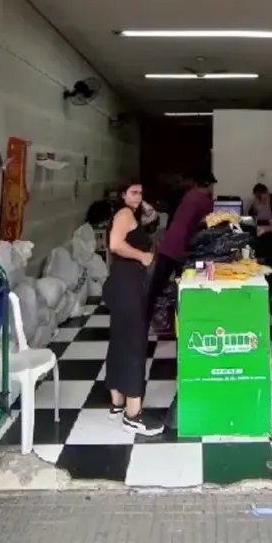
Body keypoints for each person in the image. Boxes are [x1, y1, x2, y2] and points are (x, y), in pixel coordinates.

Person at [103, 180, 164, 437]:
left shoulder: (130, 213)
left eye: (141, 192)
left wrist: (139, 202)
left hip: (123, 285)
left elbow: (152, 217)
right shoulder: (124, 215)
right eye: (133, 192)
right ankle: (133, 415)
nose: (138, 196)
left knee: (120, 342)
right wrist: (142, 256)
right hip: (127, 286)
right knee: (134, 345)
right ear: (122, 194)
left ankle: (117, 402)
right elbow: (115, 244)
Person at [147, 169, 216, 324]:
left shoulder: (189, 195)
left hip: (168, 243)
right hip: (181, 248)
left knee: (156, 287)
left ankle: (146, 318)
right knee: (185, 286)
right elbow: (207, 223)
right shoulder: (204, 201)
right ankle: (184, 319)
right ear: (207, 185)